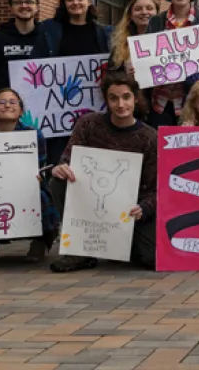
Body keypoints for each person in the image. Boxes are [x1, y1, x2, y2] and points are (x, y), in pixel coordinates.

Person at [48, 72, 159, 272]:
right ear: (106, 100)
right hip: (89, 201)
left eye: (126, 97)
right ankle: (80, 250)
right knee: (57, 181)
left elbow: (156, 188)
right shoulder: (89, 123)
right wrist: (60, 167)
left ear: (135, 98)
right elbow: (68, 157)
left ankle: (117, 246)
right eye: (113, 98)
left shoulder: (150, 138)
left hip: (131, 209)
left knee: (151, 259)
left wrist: (145, 207)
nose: (120, 104)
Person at [0, 88, 54, 263]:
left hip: (24, 185)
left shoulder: (33, 134)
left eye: (12, 102)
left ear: (21, 111)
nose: (7, 105)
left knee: (41, 196)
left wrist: (38, 177)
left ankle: (40, 243)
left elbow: (40, 165)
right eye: (1, 102)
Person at [39, 0, 114, 163]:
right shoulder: (49, 30)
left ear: (89, 2)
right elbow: (39, 63)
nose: (75, 2)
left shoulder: (105, 33)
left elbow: (112, 65)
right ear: (64, 4)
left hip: (94, 105)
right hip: (58, 110)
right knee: (59, 157)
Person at [0, 0, 45, 98]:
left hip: (41, 102)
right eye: (18, 2)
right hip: (7, 106)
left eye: (29, 2)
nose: (24, 6)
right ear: (10, 8)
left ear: (37, 7)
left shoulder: (47, 37)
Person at [109, 0, 161, 77]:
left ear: (157, 14)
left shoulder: (168, 41)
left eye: (149, 8)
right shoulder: (120, 45)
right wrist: (124, 73)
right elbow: (110, 75)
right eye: (138, 9)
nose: (144, 12)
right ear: (131, 16)